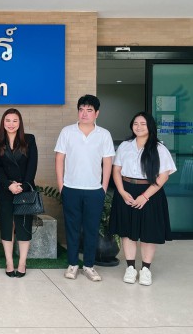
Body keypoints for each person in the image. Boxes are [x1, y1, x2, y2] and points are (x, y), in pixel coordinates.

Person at [109, 112, 176, 286]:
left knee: (149, 232)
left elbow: (164, 175)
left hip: (151, 192)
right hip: (126, 190)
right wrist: (122, 191)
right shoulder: (125, 146)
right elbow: (116, 170)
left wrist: (145, 196)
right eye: (135, 123)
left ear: (150, 126)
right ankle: (130, 268)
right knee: (127, 231)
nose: (138, 127)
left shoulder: (159, 148)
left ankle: (146, 269)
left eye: (143, 124)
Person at [55, 94, 115, 282]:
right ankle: (73, 264)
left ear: (97, 113)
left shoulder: (104, 134)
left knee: (91, 229)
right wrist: (61, 186)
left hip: (94, 190)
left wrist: (103, 188)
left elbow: (108, 162)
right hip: (71, 188)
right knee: (72, 228)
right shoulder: (67, 132)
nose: (84, 113)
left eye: (89, 110)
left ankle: (89, 266)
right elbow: (59, 159)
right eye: (81, 109)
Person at [0, 108, 37, 278]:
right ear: (3, 122)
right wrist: (9, 185)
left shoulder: (29, 139)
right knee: (6, 225)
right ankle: (9, 261)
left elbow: (32, 165)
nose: (11, 124)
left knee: (23, 226)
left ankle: (22, 262)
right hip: (5, 189)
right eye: (8, 120)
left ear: (20, 123)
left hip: (24, 190)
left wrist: (22, 186)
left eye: (15, 120)